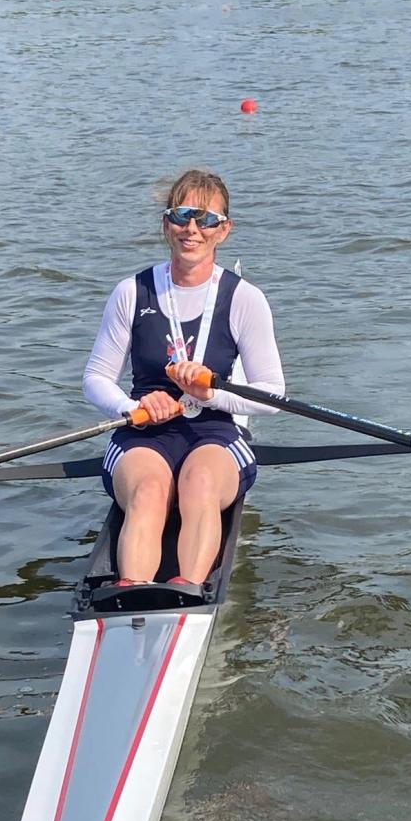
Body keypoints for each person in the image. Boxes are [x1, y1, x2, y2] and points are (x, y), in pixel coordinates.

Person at [83, 169, 285, 588]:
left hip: (215, 430)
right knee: (149, 493)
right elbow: (96, 378)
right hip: (142, 431)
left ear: (223, 231)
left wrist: (213, 393)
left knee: (199, 484)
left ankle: (186, 594)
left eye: (207, 219)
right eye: (182, 216)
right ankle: (131, 594)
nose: (192, 229)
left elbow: (272, 394)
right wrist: (132, 407)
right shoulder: (131, 292)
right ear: (166, 224)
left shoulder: (244, 299)